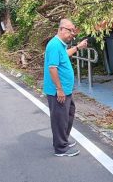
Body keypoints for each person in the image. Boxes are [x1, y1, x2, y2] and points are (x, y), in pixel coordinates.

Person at [43, 18, 88, 157]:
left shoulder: (60, 45)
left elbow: (65, 55)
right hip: (58, 91)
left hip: (66, 90)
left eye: (73, 32)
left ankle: (63, 140)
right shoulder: (54, 45)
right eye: (70, 31)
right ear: (62, 29)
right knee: (59, 119)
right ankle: (60, 148)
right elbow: (52, 68)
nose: (72, 35)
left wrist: (77, 47)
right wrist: (59, 89)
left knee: (68, 114)